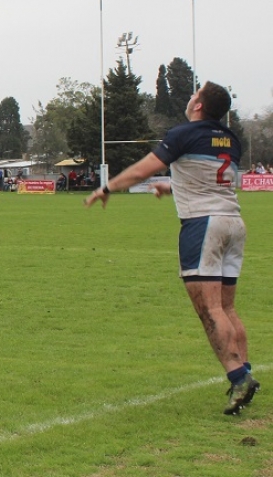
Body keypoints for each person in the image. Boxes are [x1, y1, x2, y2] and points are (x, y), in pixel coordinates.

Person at [85, 81, 259, 415]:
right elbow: (210, 177)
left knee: (210, 310)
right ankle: (245, 370)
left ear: (198, 105)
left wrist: (108, 186)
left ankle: (238, 377)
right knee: (228, 307)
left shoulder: (183, 134)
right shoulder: (231, 139)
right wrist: (173, 185)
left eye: (195, 93)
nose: (191, 96)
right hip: (233, 223)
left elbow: (143, 168)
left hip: (203, 225)